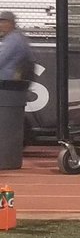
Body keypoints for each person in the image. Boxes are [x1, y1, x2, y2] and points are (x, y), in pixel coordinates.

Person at [0, 10, 35, 170]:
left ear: (10, 23)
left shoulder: (13, 39)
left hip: (7, 87)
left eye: (3, 21)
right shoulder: (15, 38)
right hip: (10, 89)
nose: (1, 24)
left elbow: (1, 60)